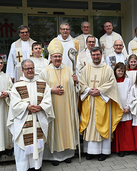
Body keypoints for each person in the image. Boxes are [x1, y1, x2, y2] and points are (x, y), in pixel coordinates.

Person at [7, 59, 55, 171]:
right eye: (27, 68)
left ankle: (36, 166)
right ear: (22, 70)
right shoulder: (17, 86)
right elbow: (14, 103)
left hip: (38, 118)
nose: (30, 70)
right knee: (22, 146)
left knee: (37, 143)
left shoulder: (42, 83)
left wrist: (41, 106)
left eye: (32, 68)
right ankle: (23, 167)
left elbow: (48, 99)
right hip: (24, 119)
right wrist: (27, 107)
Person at [39, 38, 80, 166]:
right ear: (50, 57)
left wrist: (76, 82)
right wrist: (52, 90)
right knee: (55, 129)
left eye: (59, 56)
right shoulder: (45, 72)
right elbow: (40, 89)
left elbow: (76, 88)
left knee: (68, 127)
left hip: (68, 106)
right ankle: (55, 157)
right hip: (54, 106)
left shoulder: (69, 69)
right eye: (55, 56)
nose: (57, 58)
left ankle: (68, 155)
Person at [79, 47, 123, 161]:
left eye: (97, 54)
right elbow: (81, 83)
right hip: (89, 101)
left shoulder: (107, 69)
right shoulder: (86, 69)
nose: (95, 57)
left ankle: (103, 152)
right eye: (93, 55)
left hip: (102, 101)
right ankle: (89, 151)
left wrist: (100, 90)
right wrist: (88, 90)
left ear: (101, 54)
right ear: (91, 55)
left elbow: (111, 83)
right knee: (89, 124)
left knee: (102, 124)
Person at [111, 62, 135, 157]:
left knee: (126, 129)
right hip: (116, 107)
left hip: (125, 107)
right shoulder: (112, 81)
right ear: (115, 71)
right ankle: (118, 148)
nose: (120, 72)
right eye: (119, 70)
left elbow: (130, 93)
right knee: (117, 129)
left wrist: (128, 106)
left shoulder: (128, 81)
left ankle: (127, 148)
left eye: (122, 71)